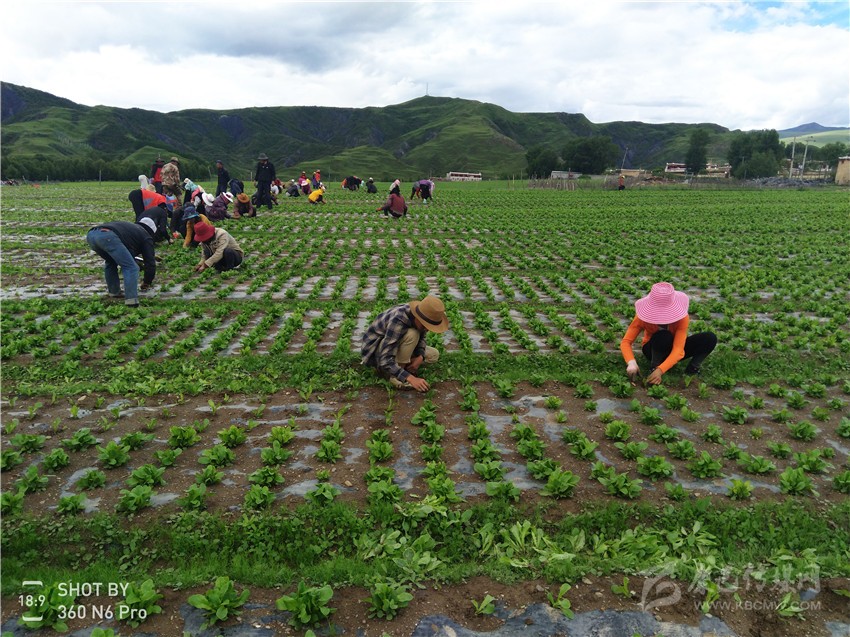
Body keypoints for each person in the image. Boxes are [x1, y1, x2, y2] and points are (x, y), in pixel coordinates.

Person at [620, 282, 718, 385]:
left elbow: (678, 349)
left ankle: (692, 369)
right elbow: (626, 342)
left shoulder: (682, 318)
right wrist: (631, 362)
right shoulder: (642, 317)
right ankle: (654, 367)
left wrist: (661, 370)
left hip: (672, 347)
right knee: (663, 335)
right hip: (652, 349)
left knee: (709, 338)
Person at [361, 295, 448, 392]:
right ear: (418, 318)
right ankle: (394, 375)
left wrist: (420, 357)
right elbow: (385, 358)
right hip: (377, 353)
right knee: (413, 334)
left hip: (397, 345)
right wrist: (411, 378)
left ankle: (400, 367)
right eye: (425, 326)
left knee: (433, 355)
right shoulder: (399, 319)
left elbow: (422, 339)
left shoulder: (421, 315)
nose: (427, 329)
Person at [86, 218, 158, 307]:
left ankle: (114, 292)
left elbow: (127, 252)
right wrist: (147, 282)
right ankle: (131, 301)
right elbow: (150, 263)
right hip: (108, 237)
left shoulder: (131, 230)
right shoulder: (146, 236)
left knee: (111, 262)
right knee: (131, 268)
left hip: (92, 235)